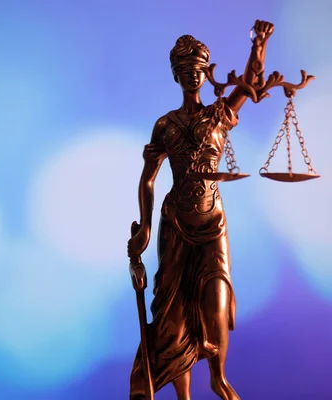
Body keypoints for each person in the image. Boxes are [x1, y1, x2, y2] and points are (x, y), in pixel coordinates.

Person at [127, 21, 274, 400]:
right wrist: (143, 226)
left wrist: (258, 45)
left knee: (215, 299)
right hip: (175, 223)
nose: (193, 77)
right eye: (185, 72)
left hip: (212, 223)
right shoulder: (166, 125)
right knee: (173, 314)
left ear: (206, 74)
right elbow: (148, 179)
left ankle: (218, 376)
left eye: (198, 71)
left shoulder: (219, 116)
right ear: (176, 76)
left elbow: (250, 81)